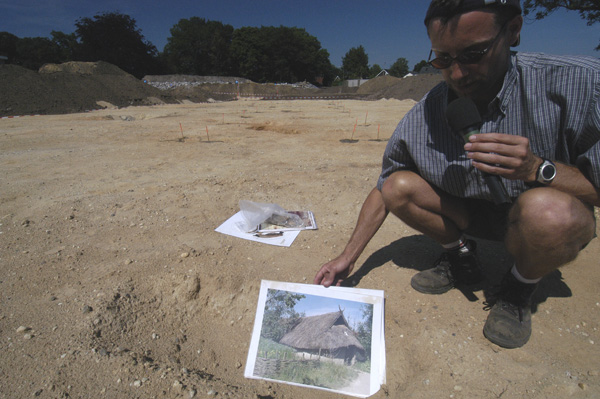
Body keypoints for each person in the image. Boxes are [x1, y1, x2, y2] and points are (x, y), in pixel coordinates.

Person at [314, 0, 600, 349]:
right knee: (397, 185)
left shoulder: (581, 84)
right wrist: (347, 257)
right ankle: (461, 255)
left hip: (540, 218)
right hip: (472, 215)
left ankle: (519, 287)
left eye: (472, 54)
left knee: (550, 212)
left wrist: (537, 169)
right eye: (443, 60)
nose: (458, 74)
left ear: (513, 31)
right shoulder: (427, 112)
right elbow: (384, 188)